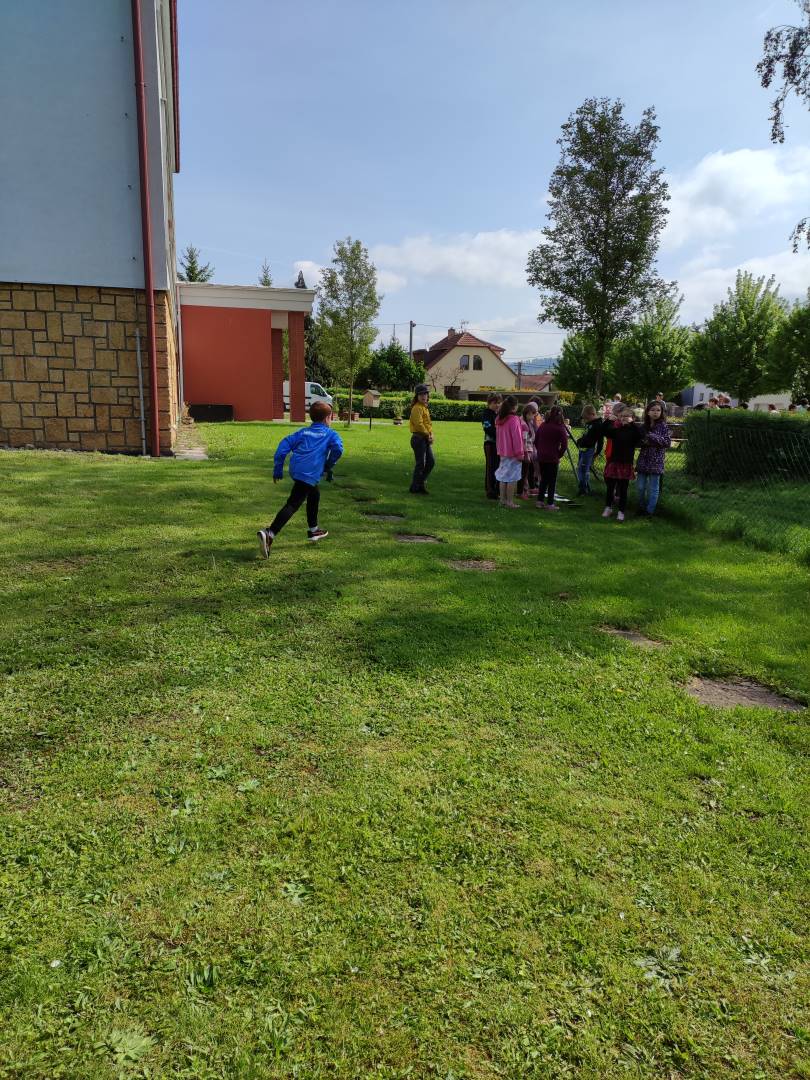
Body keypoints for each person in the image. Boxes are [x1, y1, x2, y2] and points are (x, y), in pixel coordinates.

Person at [257, 401, 343, 556]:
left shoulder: (303, 433)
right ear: (327, 418)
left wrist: (278, 469)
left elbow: (283, 447)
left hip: (297, 470)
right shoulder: (331, 434)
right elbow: (338, 449)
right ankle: (270, 533)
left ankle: (314, 530)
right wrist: (328, 465)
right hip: (308, 473)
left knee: (314, 494)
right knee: (293, 503)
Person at [599, 406, 643, 522]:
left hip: (626, 464)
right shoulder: (616, 430)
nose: (624, 418)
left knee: (623, 489)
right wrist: (608, 421)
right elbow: (603, 431)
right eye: (622, 416)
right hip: (614, 462)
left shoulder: (634, 431)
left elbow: (640, 435)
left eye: (627, 416)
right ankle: (608, 507)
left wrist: (632, 423)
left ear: (632, 418)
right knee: (610, 488)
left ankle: (621, 511)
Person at [636, 400, 672, 517]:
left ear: (661, 412)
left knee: (653, 488)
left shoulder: (663, 426)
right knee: (640, 487)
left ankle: (649, 511)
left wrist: (651, 436)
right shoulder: (643, 427)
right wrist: (643, 441)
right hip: (643, 460)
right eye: (652, 410)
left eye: (658, 410)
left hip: (656, 461)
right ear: (647, 412)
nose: (655, 412)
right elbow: (638, 442)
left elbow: (667, 442)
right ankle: (641, 507)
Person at [534, 404, 568, 511]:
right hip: (552, 457)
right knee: (552, 481)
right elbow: (564, 445)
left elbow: (536, 440)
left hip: (541, 456)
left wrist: (540, 450)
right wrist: (559, 455)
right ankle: (550, 503)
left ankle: (539, 501)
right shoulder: (560, 428)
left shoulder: (543, 425)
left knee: (543, 479)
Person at [494, 396, 523, 508]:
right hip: (513, 453)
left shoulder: (499, 419)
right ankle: (510, 502)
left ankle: (502, 500)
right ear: (514, 406)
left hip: (502, 452)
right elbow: (517, 438)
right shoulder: (514, 419)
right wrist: (520, 453)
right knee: (512, 478)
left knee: (503, 477)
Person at [408, 384, 434, 494]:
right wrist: (428, 435)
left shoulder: (424, 407)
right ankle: (415, 487)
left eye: (425, 394)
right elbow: (419, 424)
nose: (424, 396)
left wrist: (431, 434)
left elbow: (428, 424)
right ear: (417, 396)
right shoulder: (416, 408)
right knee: (421, 464)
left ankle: (419, 484)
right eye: (421, 394)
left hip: (425, 438)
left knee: (431, 462)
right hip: (418, 438)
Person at [575, 405, 603, 495]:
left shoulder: (598, 425)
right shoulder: (589, 423)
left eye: (587, 418)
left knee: (583, 469)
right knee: (580, 468)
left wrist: (597, 452)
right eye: (584, 419)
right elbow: (585, 435)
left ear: (592, 414)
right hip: (582, 449)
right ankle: (585, 487)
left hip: (589, 450)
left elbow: (600, 440)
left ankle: (583, 489)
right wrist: (579, 441)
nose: (585, 420)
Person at [482, 393, 502, 499]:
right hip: (490, 444)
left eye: (499, 403)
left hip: (498, 444)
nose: (497, 405)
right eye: (495, 403)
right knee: (490, 467)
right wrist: (499, 434)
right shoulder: (486, 414)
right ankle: (490, 490)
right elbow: (487, 427)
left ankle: (497, 489)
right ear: (489, 403)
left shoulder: (498, 414)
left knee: (497, 466)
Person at [518, 402, 540, 499]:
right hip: (525, 451)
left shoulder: (529, 422)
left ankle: (528, 489)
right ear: (527, 413)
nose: (534, 416)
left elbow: (534, 433)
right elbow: (523, 441)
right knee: (523, 473)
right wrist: (526, 454)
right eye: (532, 414)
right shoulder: (523, 424)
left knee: (529, 471)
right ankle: (520, 492)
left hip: (529, 450)